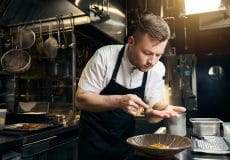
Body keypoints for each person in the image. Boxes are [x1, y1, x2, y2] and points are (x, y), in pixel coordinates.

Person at [75, 13, 186, 160]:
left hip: (124, 144)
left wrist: (160, 111)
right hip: (93, 144)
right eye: (147, 53)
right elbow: (80, 99)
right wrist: (119, 101)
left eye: (158, 55)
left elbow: (152, 112)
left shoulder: (157, 68)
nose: (152, 61)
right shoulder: (105, 57)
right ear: (131, 42)